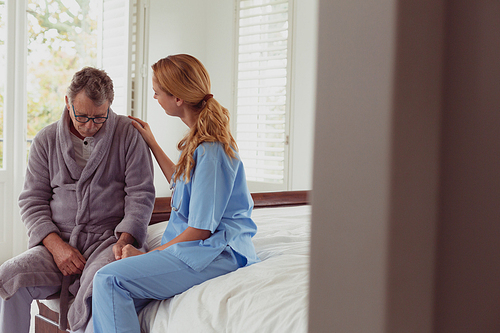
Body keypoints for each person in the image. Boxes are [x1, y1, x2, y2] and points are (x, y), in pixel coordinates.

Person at [91, 54, 260, 332]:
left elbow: (200, 230)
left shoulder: (212, 150)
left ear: (178, 98)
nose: (155, 96)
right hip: (200, 247)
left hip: (215, 252)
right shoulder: (198, 143)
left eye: (158, 90)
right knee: (100, 308)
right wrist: (153, 143)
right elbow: (184, 183)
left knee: (108, 279)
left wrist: (146, 255)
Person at [0, 67, 155, 333]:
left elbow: (141, 195)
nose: (89, 126)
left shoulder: (128, 134)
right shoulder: (45, 140)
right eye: (81, 116)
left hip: (107, 241)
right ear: (67, 103)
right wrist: (57, 246)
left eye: (99, 118)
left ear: (109, 107)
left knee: (100, 285)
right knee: (11, 277)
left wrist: (125, 241)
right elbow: (32, 201)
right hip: (57, 242)